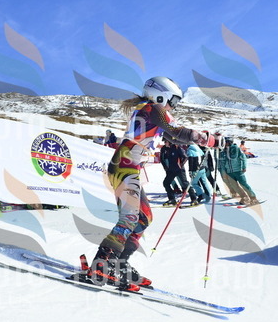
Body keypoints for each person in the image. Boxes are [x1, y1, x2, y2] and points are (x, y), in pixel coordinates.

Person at [85, 76, 219, 292]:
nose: (173, 106)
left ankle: (119, 263)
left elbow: (174, 138)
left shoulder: (149, 110)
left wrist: (207, 140)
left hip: (129, 168)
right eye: (173, 101)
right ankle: (102, 265)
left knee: (143, 217)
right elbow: (178, 132)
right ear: (161, 95)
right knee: (129, 218)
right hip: (124, 166)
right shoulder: (153, 108)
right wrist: (207, 139)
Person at [218, 136, 259, 206]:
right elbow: (222, 161)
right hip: (229, 172)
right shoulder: (223, 151)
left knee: (244, 184)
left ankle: (253, 198)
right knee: (234, 186)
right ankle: (244, 198)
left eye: (225, 142)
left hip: (238, 170)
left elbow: (243, 158)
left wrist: (244, 167)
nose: (224, 144)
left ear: (229, 142)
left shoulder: (236, 149)